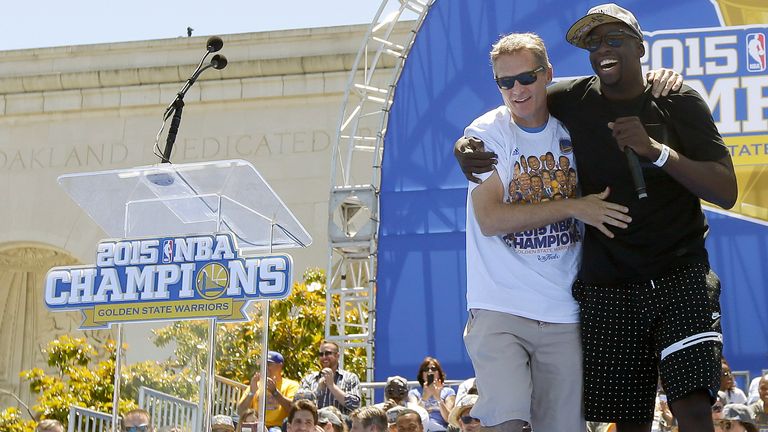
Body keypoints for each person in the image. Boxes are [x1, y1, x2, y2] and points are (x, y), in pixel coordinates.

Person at [456, 4, 736, 432]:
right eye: (594, 43)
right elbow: (513, 108)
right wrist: (463, 146)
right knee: (628, 422)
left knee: (693, 407)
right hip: (609, 288)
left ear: (641, 48)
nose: (602, 49)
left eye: (614, 40)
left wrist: (654, 150)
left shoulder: (676, 99)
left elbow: (726, 191)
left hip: (680, 274)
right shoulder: (572, 100)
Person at [461, 32, 633, 432]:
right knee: (508, 422)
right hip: (499, 308)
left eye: (526, 78)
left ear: (548, 74)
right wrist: (575, 206)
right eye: (505, 82)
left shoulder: (575, 123)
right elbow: (490, 218)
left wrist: (662, 78)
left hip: (565, 312)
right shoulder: (487, 132)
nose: (517, 90)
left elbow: (626, 92)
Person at [237, 350, 300, 432]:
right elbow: (240, 411)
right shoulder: (256, 384)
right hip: (256, 425)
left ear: (280, 366)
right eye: (263, 364)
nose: (265, 367)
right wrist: (251, 392)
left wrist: (275, 392)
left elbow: (294, 410)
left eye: (269, 364)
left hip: (279, 427)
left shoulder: (291, 385)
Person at [300, 341, 361, 414]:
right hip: (315, 422)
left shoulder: (350, 378)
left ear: (337, 356)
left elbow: (355, 404)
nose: (324, 357)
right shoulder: (309, 379)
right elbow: (300, 404)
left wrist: (332, 386)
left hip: (341, 423)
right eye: (321, 354)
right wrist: (318, 390)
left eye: (328, 353)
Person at [407, 357, 455, 432]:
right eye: (426, 369)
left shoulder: (448, 392)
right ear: (422, 374)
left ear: (439, 373)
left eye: (433, 369)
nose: (430, 371)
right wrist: (424, 399)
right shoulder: (414, 393)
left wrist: (438, 398)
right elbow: (412, 418)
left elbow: (449, 419)